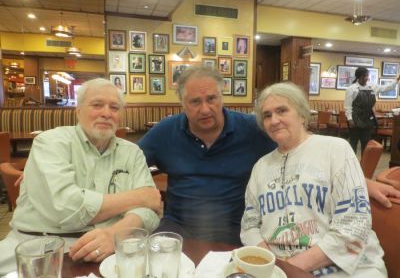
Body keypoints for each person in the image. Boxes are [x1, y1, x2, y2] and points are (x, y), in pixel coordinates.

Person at [0, 78, 161, 275]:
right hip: (38, 247)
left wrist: (115, 234)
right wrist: (140, 197)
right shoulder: (50, 143)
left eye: (114, 107)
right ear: (78, 110)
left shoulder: (132, 152)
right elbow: (66, 208)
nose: (106, 113)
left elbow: (151, 213)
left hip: (113, 250)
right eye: (97, 105)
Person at [241, 82, 387, 277]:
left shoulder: (335, 149)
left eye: (282, 110)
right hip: (278, 268)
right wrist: (269, 263)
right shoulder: (261, 166)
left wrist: (288, 268)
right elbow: (250, 225)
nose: (274, 120)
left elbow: (354, 224)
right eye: (267, 115)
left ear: (302, 114)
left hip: (344, 267)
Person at [138, 66, 277, 245]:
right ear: (182, 103)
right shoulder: (165, 131)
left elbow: (292, 152)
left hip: (238, 230)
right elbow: (128, 163)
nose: (205, 109)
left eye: (211, 99)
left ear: (222, 96)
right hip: (177, 228)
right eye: (195, 102)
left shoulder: (253, 129)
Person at [345, 67, 400, 154]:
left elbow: (387, 87)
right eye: (364, 76)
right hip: (355, 119)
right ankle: (351, 165)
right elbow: (348, 107)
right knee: (353, 144)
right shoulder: (351, 89)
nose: (366, 78)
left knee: (366, 144)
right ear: (358, 77)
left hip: (368, 119)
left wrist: (397, 79)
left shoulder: (372, 86)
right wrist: (350, 119)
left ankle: (364, 165)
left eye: (367, 76)